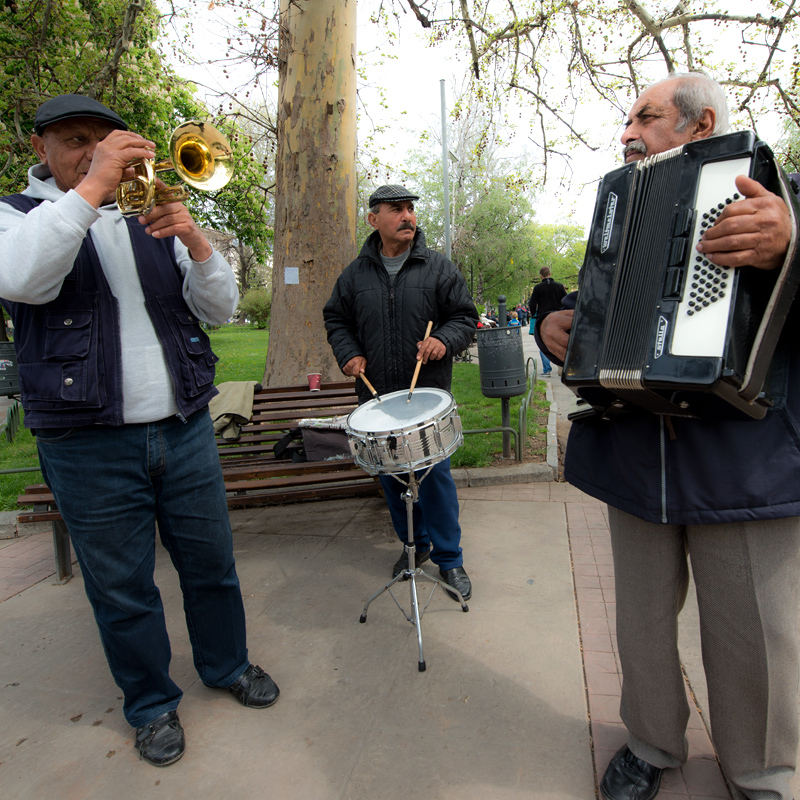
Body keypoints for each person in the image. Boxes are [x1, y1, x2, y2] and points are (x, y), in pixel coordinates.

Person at [538, 72, 800, 800]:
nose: (628, 133)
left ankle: (763, 773)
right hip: (638, 454)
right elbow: (598, 307)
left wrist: (789, 247)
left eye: (646, 117)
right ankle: (652, 744)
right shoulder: (621, 207)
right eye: (627, 121)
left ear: (699, 122)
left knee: (755, 637)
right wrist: (555, 327)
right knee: (641, 624)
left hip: (743, 460)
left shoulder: (783, 194)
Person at [0, 95, 280, 768]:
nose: (93, 153)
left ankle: (227, 664)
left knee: (212, 567)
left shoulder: (145, 211)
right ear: (41, 149)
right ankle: (152, 705)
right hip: (86, 443)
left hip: (182, 429)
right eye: (75, 142)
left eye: (104, 141)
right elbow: (23, 280)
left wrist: (195, 238)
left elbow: (219, 308)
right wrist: (94, 184)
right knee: (122, 588)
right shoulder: (16, 215)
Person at [324, 184, 479, 600]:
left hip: (425, 396)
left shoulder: (439, 269)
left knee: (434, 478)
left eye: (410, 208)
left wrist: (443, 339)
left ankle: (450, 561)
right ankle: (415, 545)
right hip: (378, 401)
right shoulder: (353, 276)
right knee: (391, 480)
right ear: (374, 220)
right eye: (397, 209)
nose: (408, 215)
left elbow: (465, 316)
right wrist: (349, 354)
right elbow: (336, 320)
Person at [528, 267, 566, 376]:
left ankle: (547, 369)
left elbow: (532, 303)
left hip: (544, 317)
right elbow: (565, 300)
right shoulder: (559, 286)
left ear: (541, 275)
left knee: (544, 343)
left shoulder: (538, 287)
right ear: (550, 273)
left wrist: (534, 314)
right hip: (558, 316)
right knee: (560, 341)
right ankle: (562, 366)